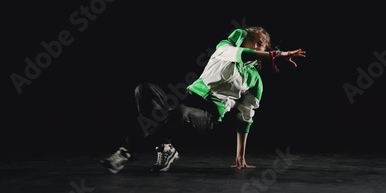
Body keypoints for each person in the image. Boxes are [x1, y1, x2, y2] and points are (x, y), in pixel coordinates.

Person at [101, 26, 306, 173]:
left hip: (209, 114)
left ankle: (128, 150)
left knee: (178, 113)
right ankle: (164, 147)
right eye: (256, 42)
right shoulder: (224, 49)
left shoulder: (255, 80)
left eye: (264, 46)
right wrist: (275, 53)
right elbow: (240, 50)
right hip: (188, 96)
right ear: (242, 39)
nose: (261, 48)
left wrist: (240, 156)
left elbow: (245, 118)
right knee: (145, 89)